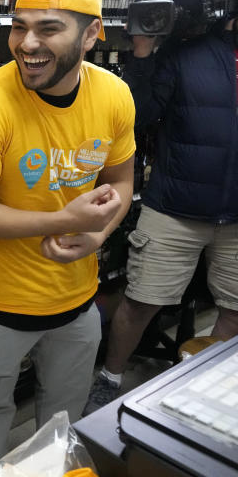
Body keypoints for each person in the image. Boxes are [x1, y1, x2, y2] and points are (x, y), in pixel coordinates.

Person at [0, 0, 135, 476]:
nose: (27, 43)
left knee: (62, 418)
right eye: (18, 26)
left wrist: (98, 232)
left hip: (76, 300)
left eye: (48, 28)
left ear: (91, 34)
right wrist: (61, 217)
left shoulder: (114, 96)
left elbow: (123, 181)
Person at [84, 21, 238, 414]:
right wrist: (141, 54)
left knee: (236, 310)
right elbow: (139, 112)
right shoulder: (189, 53)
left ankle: (203, 384)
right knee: (140, 303)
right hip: (174, 207)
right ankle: (110, 377)